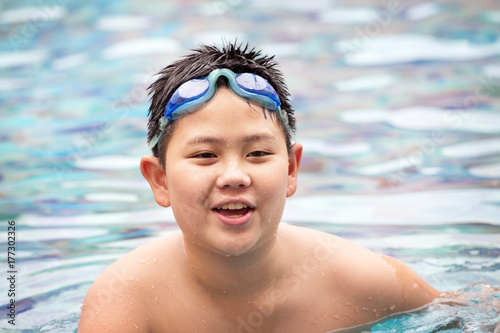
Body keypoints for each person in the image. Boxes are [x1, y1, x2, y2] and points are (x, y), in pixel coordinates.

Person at [78, 42, 439, 333]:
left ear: (292, 169)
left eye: (257, 153)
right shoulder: (127, 303)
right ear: (160, 180)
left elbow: (467, 315)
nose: (234, 176)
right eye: (205, 155)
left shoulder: (363, 281)